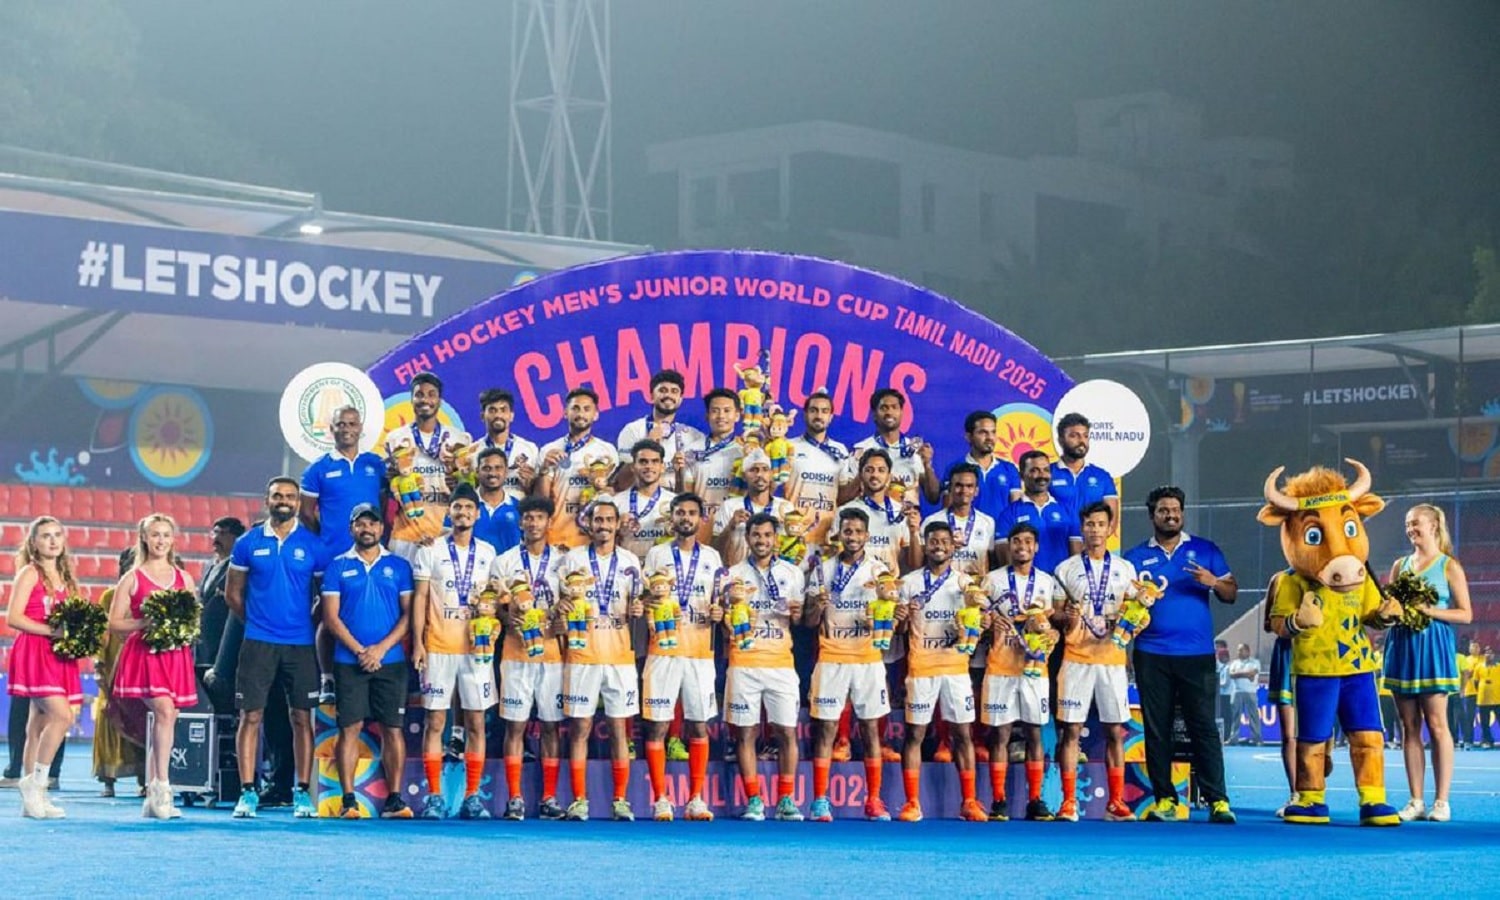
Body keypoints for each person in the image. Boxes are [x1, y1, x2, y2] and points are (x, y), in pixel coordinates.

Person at [1123, 485, 1238, 823]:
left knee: (1203, 726)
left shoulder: (1205, 550)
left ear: (1182, 514)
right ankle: (1165, 800)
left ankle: (1218, 801)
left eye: (1175, 510)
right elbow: (1125, 606)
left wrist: (1213, 581)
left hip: (1197, 654)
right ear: (1152, 516)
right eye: (1163, 511)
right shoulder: (1133, 558)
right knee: (1157, 729)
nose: (1170, 515)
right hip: (1150, 654)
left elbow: (1230, 594)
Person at [226, 478, 328, 819]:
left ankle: (301, 792)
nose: (283, 501)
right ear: (267, 500)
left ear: (298, 502)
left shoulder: (312, 545)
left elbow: (323, 598)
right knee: (250, 716)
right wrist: (258, 621)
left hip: (299, 646)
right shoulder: (247, 543)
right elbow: (232, 595)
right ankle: (247, 792)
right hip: (257, 642)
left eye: (290, 496)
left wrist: (305, 624)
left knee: (301, 718)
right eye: (277, 496)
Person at [411, 484, 500, 820]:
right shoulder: (430, 549)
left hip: (477, 650)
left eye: (468, 508)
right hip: (438, 647)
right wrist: (418, 642)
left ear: (477, 514)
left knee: (476, 722)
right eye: (457, 508)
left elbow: (495, 600)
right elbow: (420, 598)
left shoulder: (489, 553)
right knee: (435, 721)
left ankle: (472, 796)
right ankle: (434, 796)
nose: (462, 513)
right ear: (449, 512)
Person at [321, 504, 414, 819]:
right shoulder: (337, 567)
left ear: (382, 529)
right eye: (360, 524)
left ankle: (395, 800)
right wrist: (361, 650)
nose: (367, 529)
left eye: (372, 524)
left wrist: (380, 650)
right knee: (350, 728)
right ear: (352, 529)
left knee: (393, 728)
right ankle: (348, 801)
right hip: (349, 661)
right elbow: (330, 618)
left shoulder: (399, 566)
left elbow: (408, 616)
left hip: (391, 660)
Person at [1052, 501, 1141, 822]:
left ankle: (1115, 802)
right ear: (1083, 527)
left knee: (1116, 731)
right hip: (1076, 659)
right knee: (1071, 731)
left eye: (1100, 524)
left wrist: (1136, 619)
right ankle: (1068, 802)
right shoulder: (1065, 569)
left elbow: (1136, 612)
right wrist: (1066, 616)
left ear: (1110, 528)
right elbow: (1056, 615)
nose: (1094, 530)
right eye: (1089, 524)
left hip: (1112, 661)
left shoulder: (1125, 569)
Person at [803, 507, 893, 822]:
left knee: (870, 729)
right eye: (847, 531)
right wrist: (815, 606)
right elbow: (809, 621)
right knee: (826, 728)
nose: (852, 537)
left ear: (867, 536)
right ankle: (820, 800)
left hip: (867, 659)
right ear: (839, 535)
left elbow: (890, 617)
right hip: (831, 658)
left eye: (858, 532)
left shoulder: (880, 571)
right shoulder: (822, 569)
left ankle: (874, 800)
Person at [1384, 503, 1472, 823]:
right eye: (1408, 524)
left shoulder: (1449, 566)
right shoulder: (1399, 565)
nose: (1411, 529)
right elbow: (1389, 607)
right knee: (1408, 727)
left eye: (1416, 523)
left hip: (1433, 646)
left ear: (1434, 526)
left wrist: (1429, 611)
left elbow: (1466, 614)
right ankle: (1416, 800)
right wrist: (1385, 613)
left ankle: (1441, 801)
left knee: (1437, 724)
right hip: (1402, 647)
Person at [109, 514, 200, 819]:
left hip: (174, 655)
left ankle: (152, 794)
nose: (160, 540)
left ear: (173, 539)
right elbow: (115, 623)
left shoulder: (183, 578)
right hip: (144, 655)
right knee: (163, 711)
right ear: (144, 539)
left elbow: (192, 618)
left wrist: (179, 630)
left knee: (169, 718)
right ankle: (162, 788)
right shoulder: (132, 578)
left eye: (165, 535)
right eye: (155, 535)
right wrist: (146, 623)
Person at [640, 492, 724, 822]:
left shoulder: (714, 558)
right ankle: (660, 798)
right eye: (680, 512)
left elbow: (722, 600)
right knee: (658, 725)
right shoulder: (657, 555)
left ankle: (696, 799)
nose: (685, 518)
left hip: (700, 652)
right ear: (671, 518)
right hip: (662, 651)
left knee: (699, 725)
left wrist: (720, 611)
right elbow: (646, 597)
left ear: (701, 518)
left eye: (691, 513)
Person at [558, 500, 643, 821]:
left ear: (618, 523)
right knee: (580, 726)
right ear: (589, 524)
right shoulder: (573, 559)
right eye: (598, 519)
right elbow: (560, 603)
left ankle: (620, 800)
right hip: (582, 656)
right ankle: (579, 800)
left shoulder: (631, 561)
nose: (603, 525)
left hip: (619, 657)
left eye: (609, 519)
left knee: (620, 728)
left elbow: (640, 603)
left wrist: (639, 609)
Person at [898, 521, 986, 823]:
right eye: (932, 540)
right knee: (915, 734)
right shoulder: (909, 583)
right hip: (921, 668)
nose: (938, 545)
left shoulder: (966, 585)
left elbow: (979, 622)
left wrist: (981, 623)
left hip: (956, 669)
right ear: (925, 544)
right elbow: (896, 627)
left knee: (962, 734)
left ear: (953, 546)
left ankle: (969, 801)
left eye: (944, 541)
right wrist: (900, 617)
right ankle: (912, 802)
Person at [724, 514, 806, 822]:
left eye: (767, 536)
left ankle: (786, 799)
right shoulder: (732, 574)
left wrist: (797, 614)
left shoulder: (793, 573)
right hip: (744, 663)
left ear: (776, 539)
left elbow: (798, 620)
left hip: (781, 663)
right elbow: (726, 623)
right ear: (747, 538)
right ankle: (754, 800)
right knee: (746, 733)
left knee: (786, 732)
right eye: (756, 535)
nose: (762, 541)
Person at [491, 496, 567, 821]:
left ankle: (549, 797)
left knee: (551, 726)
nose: (534, 523)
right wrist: (509, 621)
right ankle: (515, 797)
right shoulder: (504, 561)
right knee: (516, 726)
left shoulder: (563, 561)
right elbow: (492, 607)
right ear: (520, 522)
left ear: (549, 522)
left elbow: (571, 603)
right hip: (515, 653)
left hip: (552, 654)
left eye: (540, 517)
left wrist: (562, 621)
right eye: (528, 518)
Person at [5, 516, 83, 818]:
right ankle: (35, 783)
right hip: (36, 651)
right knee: (62, 716)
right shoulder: (29, 573)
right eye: (45, 536)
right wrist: (52, 632)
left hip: (58, 654)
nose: (52, 541)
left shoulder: (65, 576)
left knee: (37, 724)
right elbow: (14, 618)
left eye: (57, 535)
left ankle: (33, 799)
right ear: (33, 543)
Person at [981, 523, 1059, 822]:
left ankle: (1035, 799)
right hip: (1001, 666)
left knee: (1034, 732)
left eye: (1028, 541)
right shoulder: (992, 580)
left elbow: (1051, 624)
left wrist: (1052, 635)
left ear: (1036, 547)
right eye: (1016, 541)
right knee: (1000, 733)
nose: (1022, 546)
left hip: (1035, 670)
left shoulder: (1047, 582)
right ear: (1009, 546)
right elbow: (979, 620)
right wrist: (989, 623)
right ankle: (998, 800)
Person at [385, 372, 471, 559]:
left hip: (446, 532)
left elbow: (468, 486)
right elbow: (390, 488)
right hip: (407, 534)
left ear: (440, 401)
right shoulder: (395, 439)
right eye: (419, 394)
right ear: (412, 399)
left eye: (432, 394)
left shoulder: (459, 439)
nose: (425, 399)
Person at [535, 387, 617, 548]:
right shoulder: (549, 450)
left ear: (596, 414)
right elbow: (541, 500)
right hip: (557, 538)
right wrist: (544, 469)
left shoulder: (607, 451)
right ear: (565, 413)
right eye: (575, 408)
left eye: (587, 409)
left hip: (594, 542)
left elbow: (612, 494)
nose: (581, 414)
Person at [93, 548, 145, 800]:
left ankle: (145, 778)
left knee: (141, 718)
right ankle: (107, 779)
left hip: (141, 664)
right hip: (114, 661)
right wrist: (99, 663)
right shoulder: (110, 596)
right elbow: (103, 633)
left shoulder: (152, 594)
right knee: (108, 716)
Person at [300, 405, 384, 558]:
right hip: (331, 554)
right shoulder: (317, 469)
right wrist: (326, 538)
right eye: (341, 424)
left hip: (372, 553)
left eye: (352, 424)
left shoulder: (377, 464)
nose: (347, 429)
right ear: (332, 429)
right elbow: (305, 513)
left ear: (360, 428)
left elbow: (383, 505)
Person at [841, 389, 940, 505]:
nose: (889, 412)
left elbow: (933, 497)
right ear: (874, 414)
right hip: (872, 520)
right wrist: (863, 471)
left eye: (894, 407)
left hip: (907, 521)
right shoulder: (861, 450)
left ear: (901, 412)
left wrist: (927, 465)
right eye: (884, 408)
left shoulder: (916, 451)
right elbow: (844, 499)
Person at [613, 369, 703, 490]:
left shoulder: (693, 436)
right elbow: (621, 483)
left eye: (674, 391)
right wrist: (646, 445)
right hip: (639, 503)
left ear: (681, 399)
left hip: (677, 504)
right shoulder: (633, 430)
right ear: (651, 396)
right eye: (662, 390)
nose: (668, 395)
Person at [995, 450, 1080, 574]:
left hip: (1060, 587)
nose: (1042, 475)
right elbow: (1005, 560)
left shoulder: (1067, 512)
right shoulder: (1008, 514)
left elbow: (1075, 559)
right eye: (1034, 470)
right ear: (1022, 475)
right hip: (1026, 587)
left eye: (1046, 470)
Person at [837, 448, 920, 574]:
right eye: (869, 470)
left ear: (889, 476)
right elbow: (837, 558)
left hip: (888, 587)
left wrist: (914, 533)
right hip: (853, 585)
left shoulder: (902, 512)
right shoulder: (844, 512)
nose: (875, 475)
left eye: (881, 470)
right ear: (860, 474)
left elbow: (915, 565)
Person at [786, 390, 849, 555]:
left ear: (831, 417)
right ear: (805, 414)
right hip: (793, 536)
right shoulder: (789, 446)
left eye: (824, 411)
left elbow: (842, 496)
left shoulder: (840, 451)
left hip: (827, 539)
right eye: (813, 410)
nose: (818, 415)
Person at [679, 388, 745, 543]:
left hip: (738, 526)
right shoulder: (692, 451)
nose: (721, 416)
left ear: (737, 416)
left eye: (727, 411)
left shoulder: (746, 451)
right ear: (707, 415)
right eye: (715, 411)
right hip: (702, 526)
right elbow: (686, 494)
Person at [713, 448, 794, 567]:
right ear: (744, 476)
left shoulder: (785, 507)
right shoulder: (730, 506)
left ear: (771, 474)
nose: (760, 475)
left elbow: (794, 546)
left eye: (765, 470)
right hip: (739, 577)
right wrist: (731, 526)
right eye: (753, 470)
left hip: (774, 578)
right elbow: (715, 549)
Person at [1262, 571, 1299, 815]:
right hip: (1288, 656)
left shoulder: (1327, 577)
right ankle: (1296, 793)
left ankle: (1315, 789)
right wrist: (1294, 621)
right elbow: (1268, 623)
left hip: (1322, 657)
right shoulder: (1279, 580)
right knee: (1290, 734)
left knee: (1318, 733)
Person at [921, 463, 995, 577]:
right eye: (959, 485)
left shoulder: (987, 523)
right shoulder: (931, 521)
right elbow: (921, 563)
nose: (964, 490)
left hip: (976, 589)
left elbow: (991, 561)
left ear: (976, 491)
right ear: (950, 488)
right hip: (942, 589)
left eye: (969, 486)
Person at [610, 439, 677, 562]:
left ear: (662, 467)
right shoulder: (616, 502)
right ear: (633, 467)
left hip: (663, 571)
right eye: (643, 462)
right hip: (626, 569)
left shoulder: (675, 503)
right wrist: (618, 530)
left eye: (654, 462)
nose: (649, 466)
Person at [1048, 412, 1118, 528]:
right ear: (1061, 440)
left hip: (1089, 545)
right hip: (1056, 544)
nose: (1081, 441)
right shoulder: (1047, 473)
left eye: (1085, 436)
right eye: (1074, 436)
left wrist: (1092, 542)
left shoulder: (1102, 476)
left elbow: (1111, 522)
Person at [196, 517, 246, 671]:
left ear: (236, 538)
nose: (216, 538)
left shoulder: (241, 568)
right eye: (215, 533)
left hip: (225, 638)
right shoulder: (208, 565)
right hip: (204, 639)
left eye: (223, 533)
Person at [957, 410, 1022, 525]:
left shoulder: (1009, 469)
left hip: (1002, 537)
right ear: (968, 437)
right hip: (968, 537)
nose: (990, 438)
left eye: (993, 432)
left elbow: (1016, 509)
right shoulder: (956, 468)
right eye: (983, 433)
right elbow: (950, 509)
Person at [476, 388, 541, 497]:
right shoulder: (474, 451)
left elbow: (538, 494)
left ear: (511, 416)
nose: (498, 415)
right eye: (492, 410)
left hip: (519, 512)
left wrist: (531, 485)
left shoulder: (529, 449)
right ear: (482, 416)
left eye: (503, 410)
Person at [473, 447, 522, 554]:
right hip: (471, 569)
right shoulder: (463, 506)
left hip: (508, 570)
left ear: (506, 472)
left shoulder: (519, 508)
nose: (492, 473)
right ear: (477, 472)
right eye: (486, 468)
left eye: (498, 468)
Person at [1227, 644, 1263, 746]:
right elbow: (1232, 675)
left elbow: (1253, 673)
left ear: (1248, 651)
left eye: (1241, 650)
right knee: (1235, 717)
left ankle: (1257, 739)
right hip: (1237, 692)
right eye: (1238, 650)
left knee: (1253, 716)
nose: (1238, 652)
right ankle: (1233, 739)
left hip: (1250, 692)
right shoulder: (1234, 663)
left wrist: (1239, 674)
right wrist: (1246, 674)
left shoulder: (1255, 662)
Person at [1215, 640, 1233, 744]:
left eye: (1226, 656)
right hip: (1218, 695)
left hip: (1227, 695)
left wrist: (1216, 684)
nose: (1225, 658)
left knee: (1227, 716)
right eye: (1222, 656)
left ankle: (1227, 736)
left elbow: (1225, 683)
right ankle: (1220, 736)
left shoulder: (1227, 668)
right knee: (1219, 716)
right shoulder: (1217, 666)